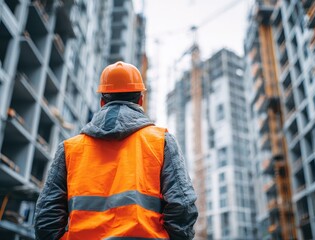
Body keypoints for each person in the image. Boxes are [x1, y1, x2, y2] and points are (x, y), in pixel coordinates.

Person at [34, 61, 198, 240]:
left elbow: (45, 220)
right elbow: (182, 206)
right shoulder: (161, 142)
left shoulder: (70, 149)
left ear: (102, 101)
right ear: (141, 100)